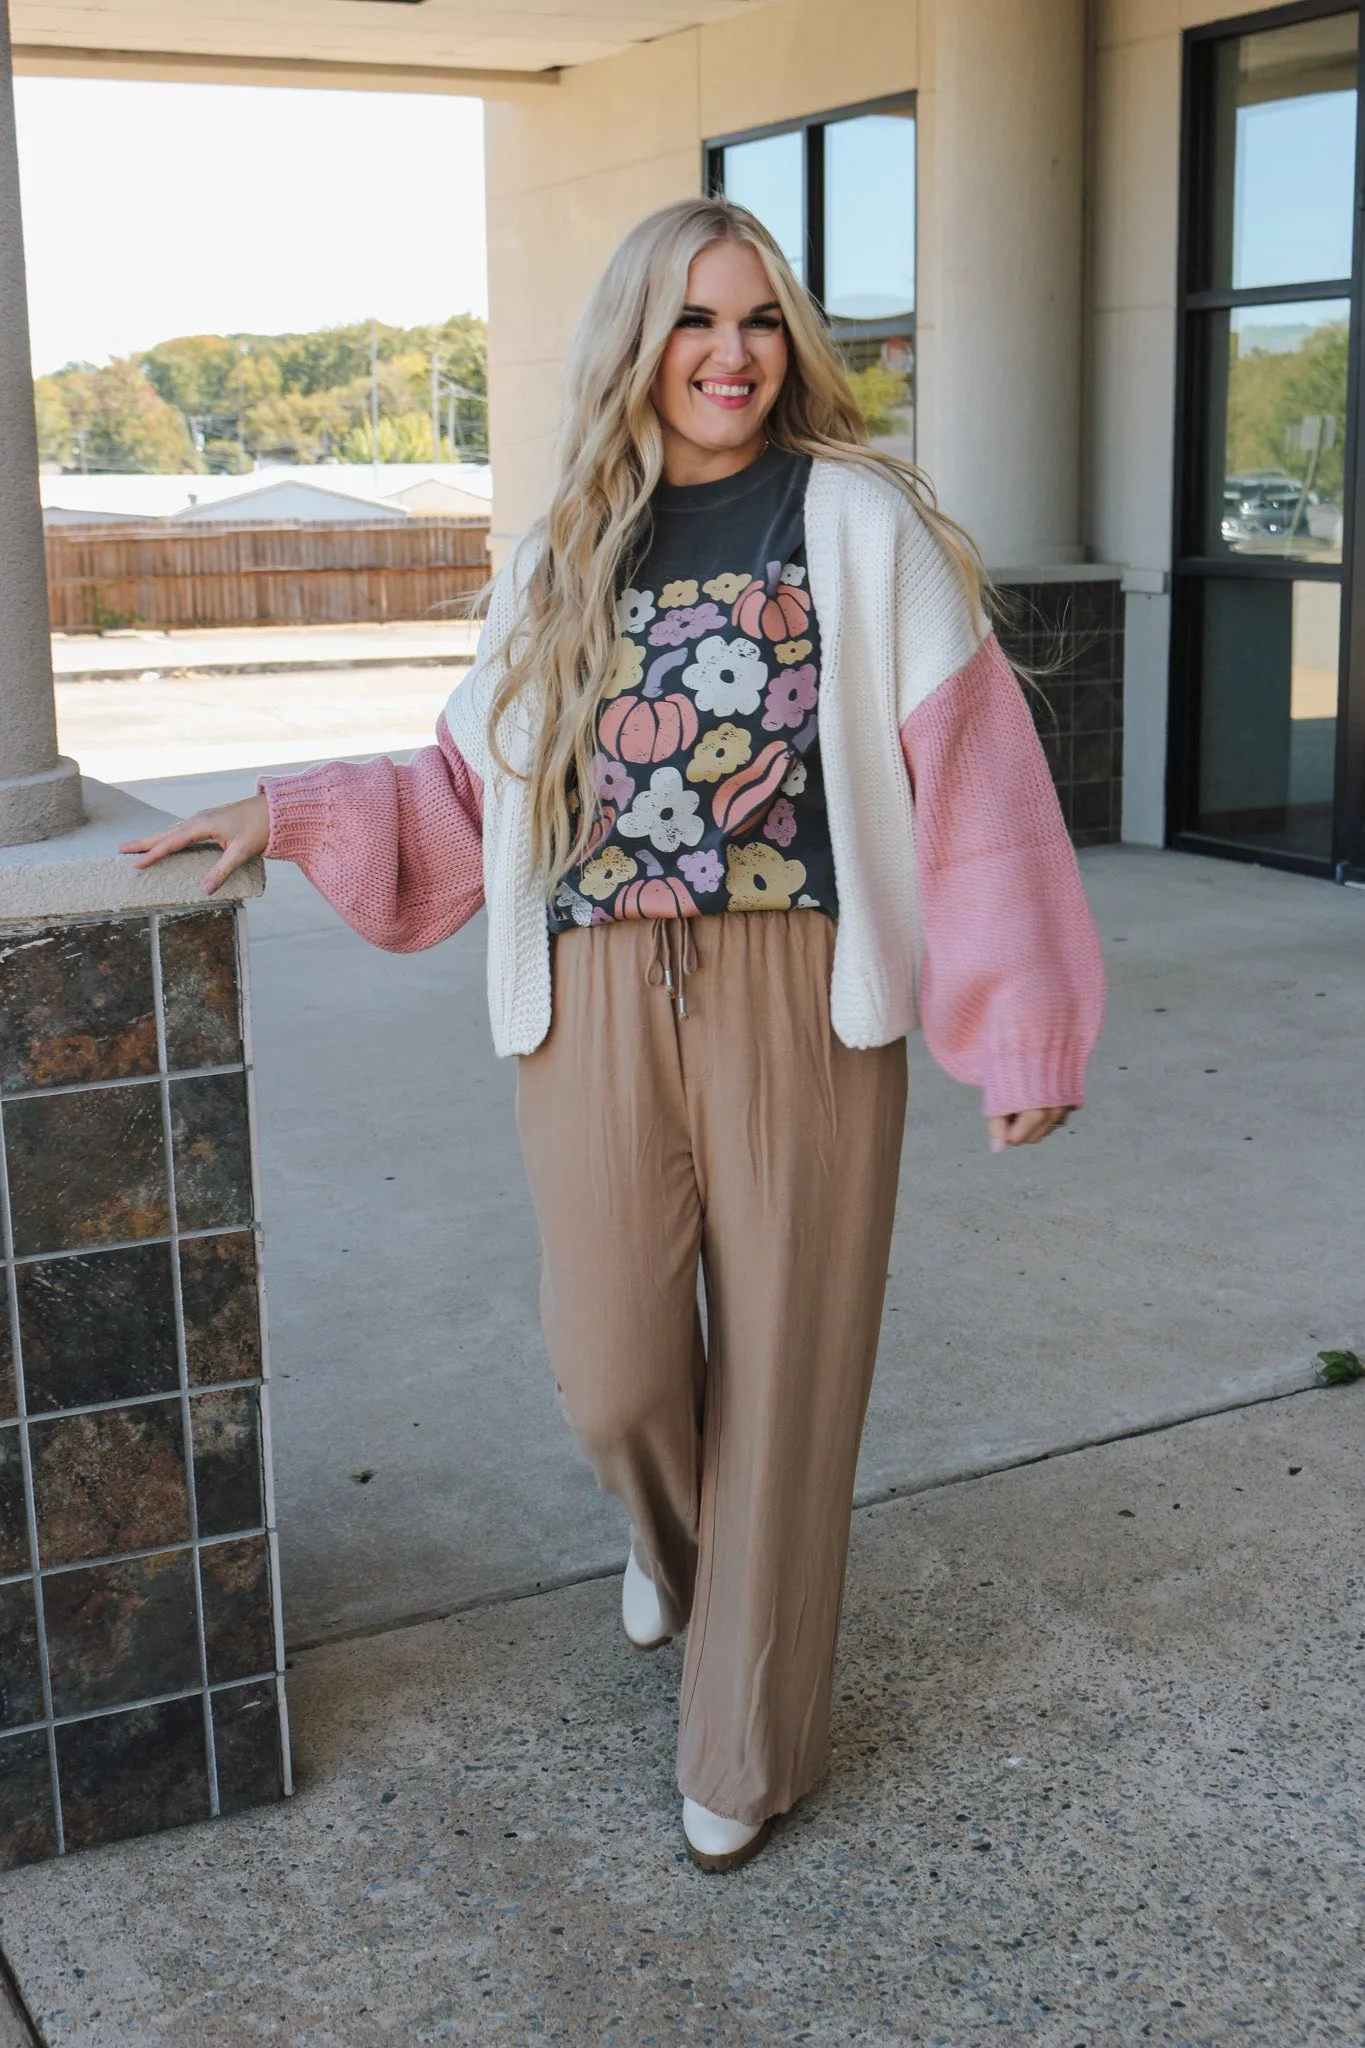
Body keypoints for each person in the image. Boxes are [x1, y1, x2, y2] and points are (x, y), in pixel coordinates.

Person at [125, 198, 1105, 1873]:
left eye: (760, 321)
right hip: (589, 990)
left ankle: (746, 1745)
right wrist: (284, 810)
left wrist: (1022, 1033)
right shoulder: (562, 545)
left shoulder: (856, 521)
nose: (730, 355)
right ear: (637, 346)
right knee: (612, 1368)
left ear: (789, 343)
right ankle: (672, 1547)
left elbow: (980, 788)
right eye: (692, 321)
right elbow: (463, 788)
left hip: (800, 989)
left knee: (791, 1380)